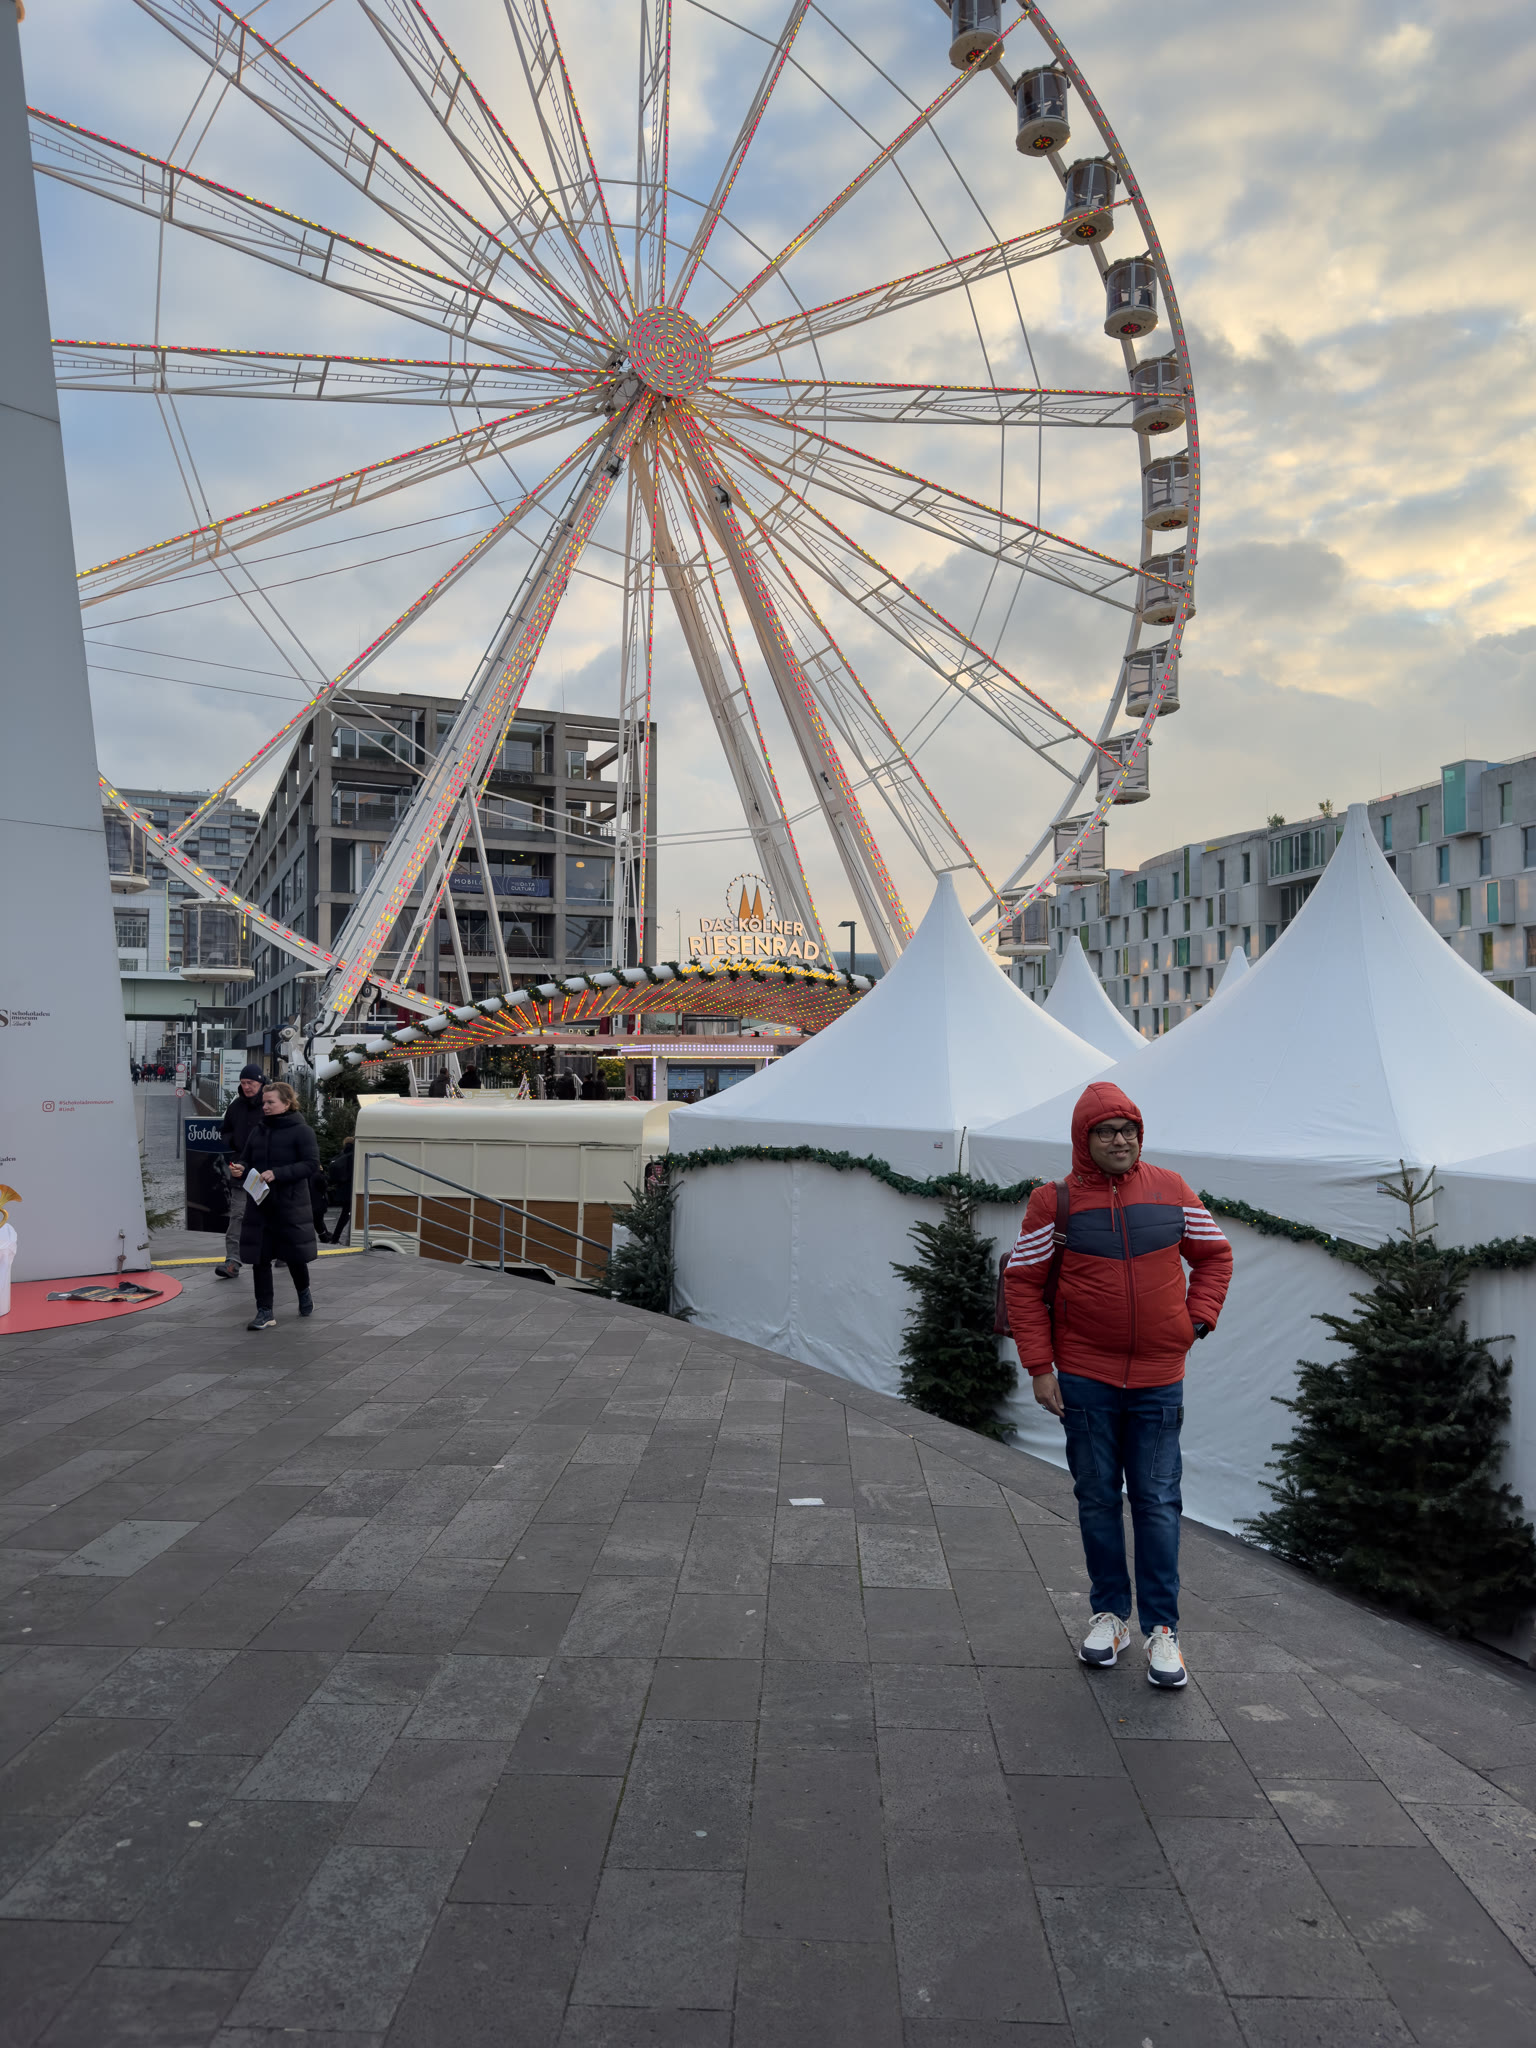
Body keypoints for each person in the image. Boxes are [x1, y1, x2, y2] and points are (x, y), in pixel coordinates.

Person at [1001, 1081, 1232, 1691]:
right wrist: (1040, 1367)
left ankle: (1162, 1628)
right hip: (1085, 1378)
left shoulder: (1172, 1189)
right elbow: (1022, 1283)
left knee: (1156, 1502)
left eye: (1128, 1129)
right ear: (1084, 1139)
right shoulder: (1053, 1203)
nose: (1119, 1140)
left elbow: (1215, 1255)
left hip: (1159, 1379)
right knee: (1098, 1498)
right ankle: (1110, 1615)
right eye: (1105, 1131)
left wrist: (1195, 1320)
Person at [229, 1080, 320, 1330]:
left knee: (294, 1256)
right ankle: (265, 1311)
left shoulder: (302, 1131)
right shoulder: (258, 1130)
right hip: (260, 1204)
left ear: (287, 1104)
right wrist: (240, 1168)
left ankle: (304, 1292)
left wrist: (278, 1173)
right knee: (260, 1258)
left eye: (271, 1102)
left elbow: (311, 1164)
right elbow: (246, 1159)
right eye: (264, 1102)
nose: (265, 1106)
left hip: (290, 1205)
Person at [213, 1065, 267, 1280]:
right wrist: (233, 1142)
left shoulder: (270, 1104)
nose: (246, 1087)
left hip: (268, 1171)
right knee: (237, 1215)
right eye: (243, 1083)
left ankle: (282, 1252)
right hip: (241, 1170)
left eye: (250, 1083)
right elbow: (224, 1131)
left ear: (261, 1083)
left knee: (275, 1214)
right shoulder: (236, 1106)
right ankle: (232, 1261)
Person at [324, 1135, 355, 1244]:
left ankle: (335, 1238)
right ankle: (335, 1238)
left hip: (342, 1189)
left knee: (345, 1215)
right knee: (346, 1215)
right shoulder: (353, 1155)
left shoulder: (342, 1155)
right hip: (350, 1189)